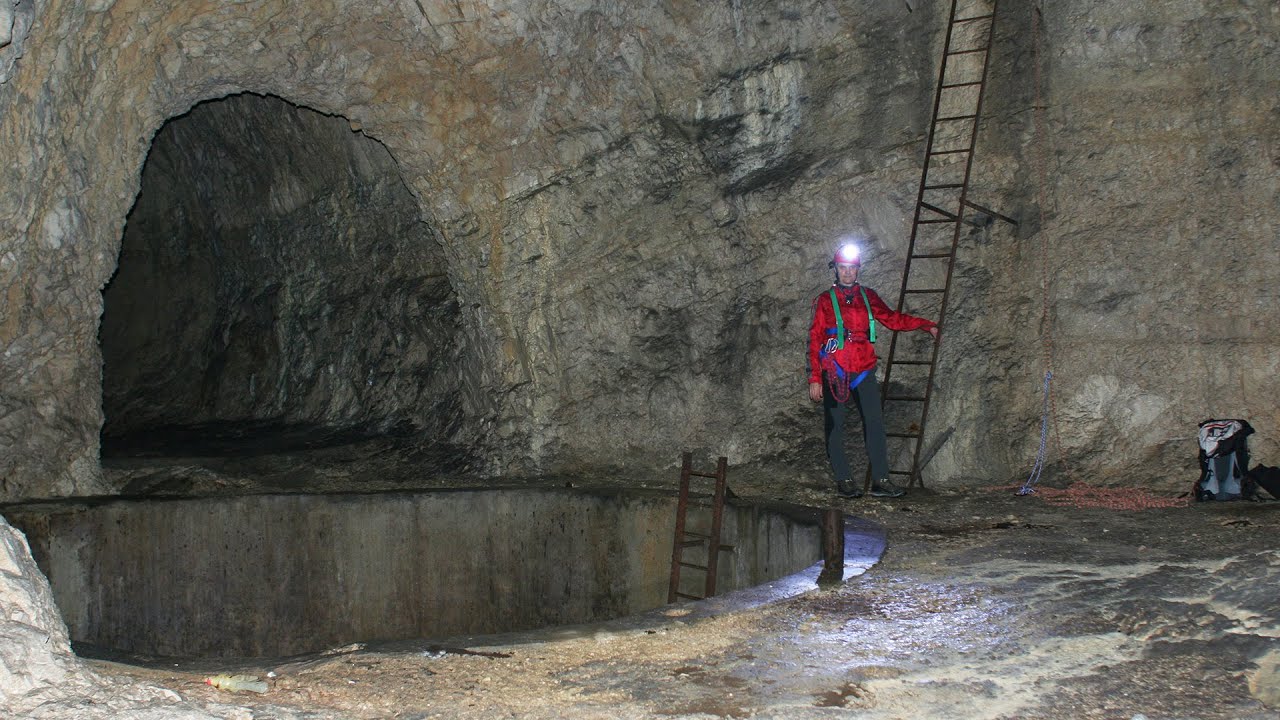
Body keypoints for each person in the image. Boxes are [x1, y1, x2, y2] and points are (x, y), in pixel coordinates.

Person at [807, 243, 939, 498]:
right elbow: (814, 340)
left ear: (858, 270)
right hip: (836, 371)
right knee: (835, 426)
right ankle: (844, 479)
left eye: (851, 269)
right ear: (836, 270)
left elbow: (893, 319)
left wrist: (926, 325)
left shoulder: (868, 296)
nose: (847, 273)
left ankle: (881, 479)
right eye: (843, 268)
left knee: (875, 424)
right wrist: (815, 378)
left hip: (864, 369)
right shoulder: (824, 301)